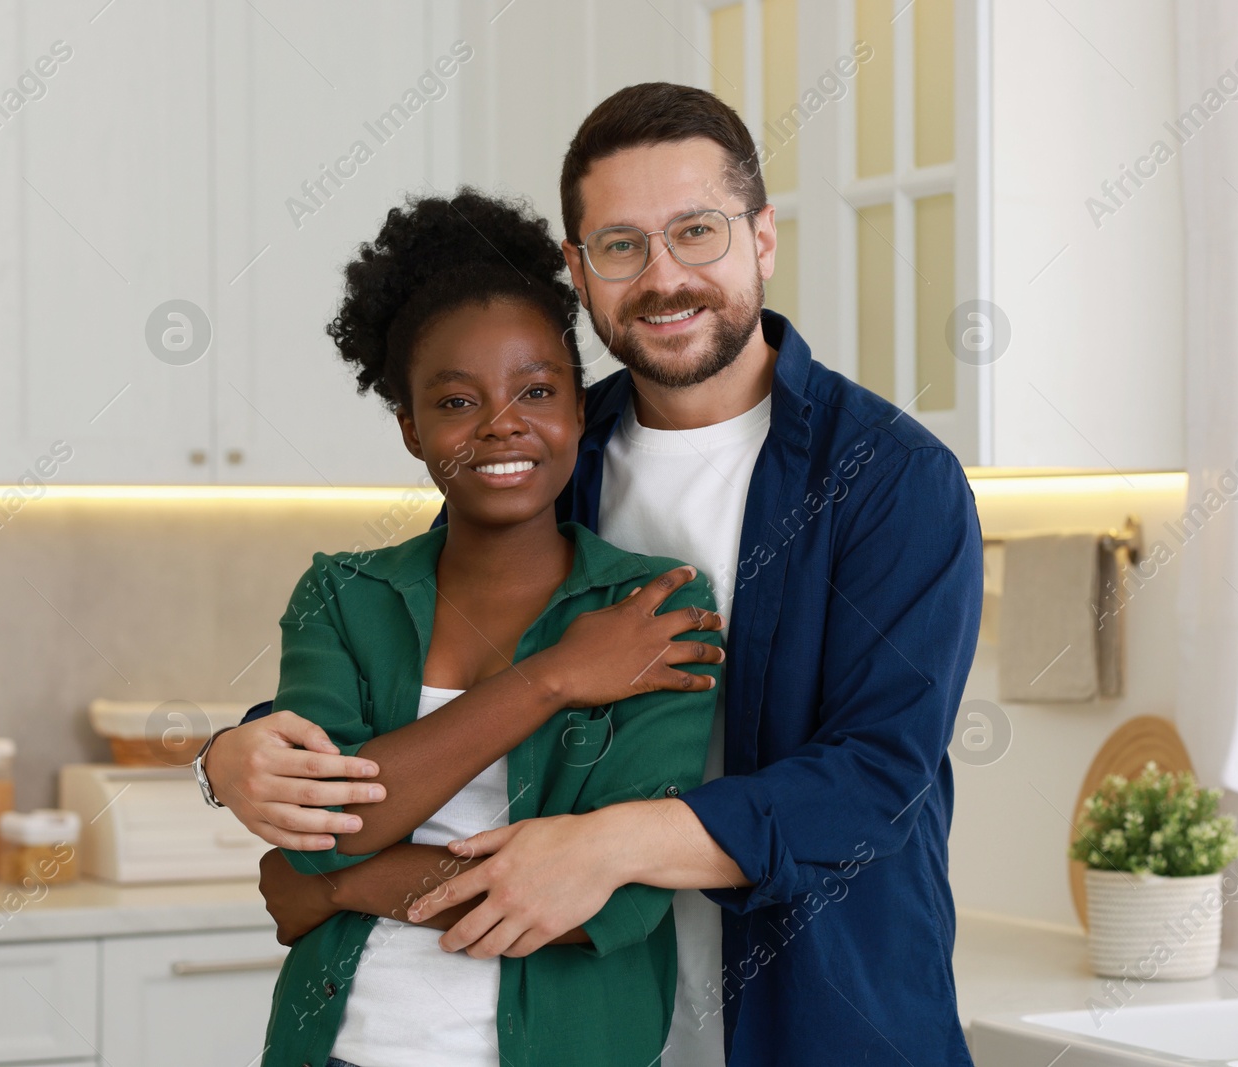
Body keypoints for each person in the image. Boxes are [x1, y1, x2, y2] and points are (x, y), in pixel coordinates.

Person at [203, 82, 984, 1065]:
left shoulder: (889, 477)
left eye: (696, 231)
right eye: (621, 246)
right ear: (579, 268)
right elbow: (422, 663)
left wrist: (602, 846)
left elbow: (870, 777)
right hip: (600, 1019)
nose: (663, 277)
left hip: (821, 1017)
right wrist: (231, 750)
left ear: (762, 239)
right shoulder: (549, 442)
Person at [248, 189, 725, 1067]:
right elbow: (334, 822)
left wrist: (347, 885)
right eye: (457, 401)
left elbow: (598, 907)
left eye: (536, 390)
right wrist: (551, 679)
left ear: (581, 410)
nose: (502, 422)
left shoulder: (656, 614)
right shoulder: (341, 596)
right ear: (411, 428)